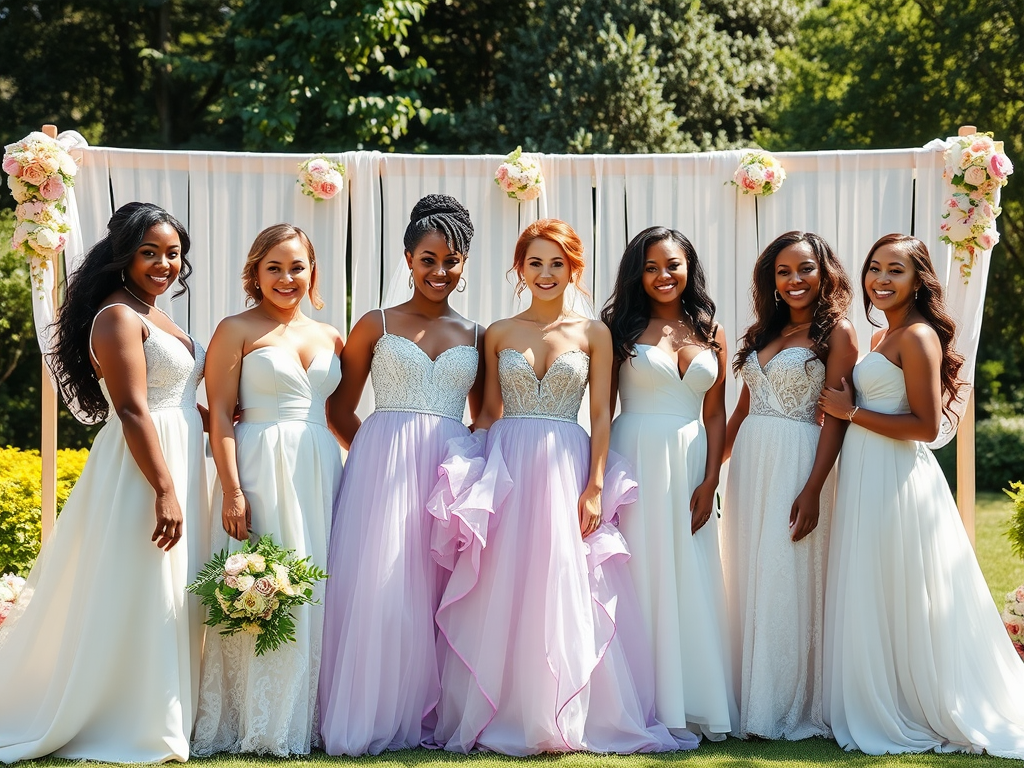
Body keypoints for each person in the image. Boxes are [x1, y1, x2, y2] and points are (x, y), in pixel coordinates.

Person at [432, 219, 690, 755]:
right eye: (535, 263)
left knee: (565, 582)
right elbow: (485, 412)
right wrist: (472, 478)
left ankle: (564, 710)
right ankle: (503, 710)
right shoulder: (499, 332)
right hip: (508, 467)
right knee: (505, 584)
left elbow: (602, 415)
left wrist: (595, 485)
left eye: (557, 263)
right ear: (519, 269)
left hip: (566, 465)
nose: (545, 273)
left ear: (574, 268)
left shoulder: (594, 333)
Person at [0, 202, 206, 763]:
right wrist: (164, 489)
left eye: (172, 253)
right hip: (145, 465)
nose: (164, 263)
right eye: (150, 253)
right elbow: (135, 409)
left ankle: (169, 709)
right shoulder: (118, 315)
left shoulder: (156, 312)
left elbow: (181, 399)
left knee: (168, 585)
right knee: (140, 581)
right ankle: (135, 718)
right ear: (123, 256)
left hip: (180, 451)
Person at [819, 234, 1024, 758]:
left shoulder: (918, 336)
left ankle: (920, 701)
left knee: (906, 588)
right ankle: (886, 692)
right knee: (877, 586)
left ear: (918, 281)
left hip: (897, 478)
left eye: (896, 271)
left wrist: (851, 413)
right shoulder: (881, 337)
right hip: (866, 471)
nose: (881, 279)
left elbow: (926, 424)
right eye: (874, 269)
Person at [317, 194, 483, 756]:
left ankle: (434, 713)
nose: (440, 271)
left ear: (464, 265)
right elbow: (338, 406)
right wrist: (374, 449)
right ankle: (374, 709)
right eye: (429, 259)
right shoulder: (376, 323)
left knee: (439, 587)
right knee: (383, 586)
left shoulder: (477, 334)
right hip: (382, 468)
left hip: (447, 467)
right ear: (409, 258)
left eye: (452, 261)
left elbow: (486, 414)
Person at [191, 224, 344, 756]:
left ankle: (311, 718)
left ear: (312, 271)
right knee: (260, 585)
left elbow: (340, 415)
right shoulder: (235, 329)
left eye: (297, 266)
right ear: (255, 272)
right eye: (274, 267)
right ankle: (255, 720)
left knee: (317, 586)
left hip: (320, 468)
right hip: (257, 467)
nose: (286, 278)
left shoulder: (331, 337)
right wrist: (232, 491)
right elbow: (220, 421)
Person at [602, 226, 736, 741]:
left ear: (689, 268)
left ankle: (693, 699)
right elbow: (602, 410)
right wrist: (599, 477)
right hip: (634, 455)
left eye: (673, 265)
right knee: (640, 574)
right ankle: (637, 698)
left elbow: (717, 413)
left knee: (690, 574)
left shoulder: (711, 329)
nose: (663, 276)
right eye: (652, 266)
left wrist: (711, 479)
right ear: (638, 272)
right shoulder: (616, 327)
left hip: (692, 460)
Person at [721, 230, 857, 740]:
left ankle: (779, 706)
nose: (795, 280)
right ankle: (749, 694)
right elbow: (741, 410)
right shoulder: (761, 332)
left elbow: (836, 418)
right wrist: (712, 470)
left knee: (785, 575)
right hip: (750, 464)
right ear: (771, 281)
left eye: (805, 269)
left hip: (799, 459)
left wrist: (814, 487)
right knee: (751, 573)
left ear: (823, 272)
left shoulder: (837, 333)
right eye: (784, 272)